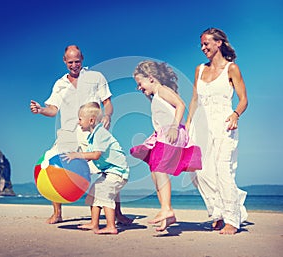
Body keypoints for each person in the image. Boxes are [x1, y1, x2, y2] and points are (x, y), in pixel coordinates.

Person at [30, 45, 132, 225]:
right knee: (54, 166)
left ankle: (118, 213)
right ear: (64, 61)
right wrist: (40, 110)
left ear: (82, 59)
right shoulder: (60, 84)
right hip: (67, 133)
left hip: (90, 132)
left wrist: (107, 115)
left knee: (107, 169)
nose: (74, 65)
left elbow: (107, 102)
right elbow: (53, 110)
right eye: (70, 62)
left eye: (77, 61)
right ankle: (57, 213)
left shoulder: (96, 77)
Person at [186, 28, 248, 235]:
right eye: (202, 45)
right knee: (199, 171)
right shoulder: (199, 70)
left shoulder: (232, 69)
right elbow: (195, 99)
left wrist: (235, 115)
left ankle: (232, 219)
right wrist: (187, 125)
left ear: (219, 43)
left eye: (207, 43)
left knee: (223, 170)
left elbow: (243, 100)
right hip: (201, 124)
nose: (203, 48)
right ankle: (218, 211)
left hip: (224, 122)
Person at [130, 60, 190, 232]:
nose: (139, 88)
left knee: (160, 169)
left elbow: (181, 104)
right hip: (162, 135)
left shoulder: (163, 90)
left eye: (139, 83)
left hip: (172, 132)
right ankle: (168, 214)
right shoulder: (156, 97)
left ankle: (166, 208)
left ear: (150, 78)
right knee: (155, 173)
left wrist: (173, 126)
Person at [62, 102, 129, 234]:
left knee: (104, 194)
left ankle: (111, 226)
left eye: (80, 119)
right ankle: (94, 223)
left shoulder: (100, 133)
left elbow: (96, 155)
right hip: (108, 171)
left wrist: (77, 154)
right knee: (94, 192)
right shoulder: (92, 136)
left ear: (91, 120)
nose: (78, 122)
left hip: (117, 171)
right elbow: (89, 157)